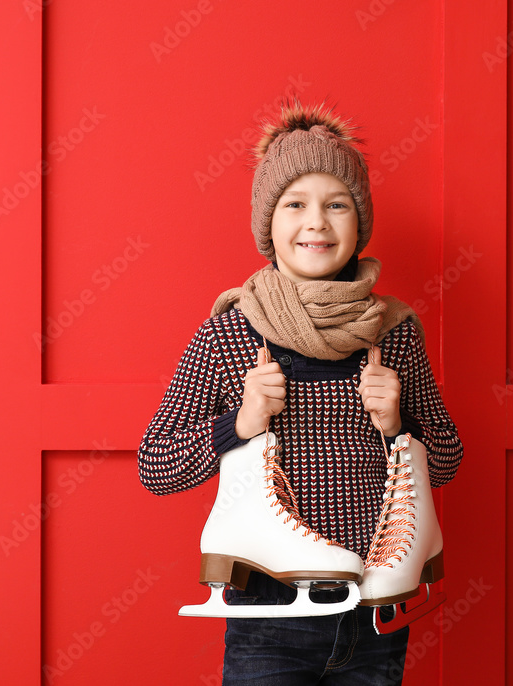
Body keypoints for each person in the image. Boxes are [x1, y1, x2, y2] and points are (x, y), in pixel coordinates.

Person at [138, 101, 464, 685]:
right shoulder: (231, 330)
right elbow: (156, 467)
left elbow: (447, 460)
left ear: (359, 223)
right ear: (269, 223)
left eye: (337, 204)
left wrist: (398, 423)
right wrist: (241, 421)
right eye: (296, 205)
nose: (316, 222)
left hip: (373, 611)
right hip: (270, 620)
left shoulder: (393, 331)